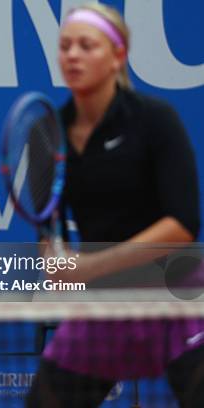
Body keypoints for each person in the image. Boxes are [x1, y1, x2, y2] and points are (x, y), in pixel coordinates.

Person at [26, 4, 204, 407]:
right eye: (66, 46)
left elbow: (183, 223)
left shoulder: (156, 120)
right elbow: (46, 224)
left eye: (86, 46)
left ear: (117, 56)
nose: (72, 55)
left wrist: (88, 267)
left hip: (177, 295)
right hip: (104, 303)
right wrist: (54, 259)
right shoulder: (47, 133)